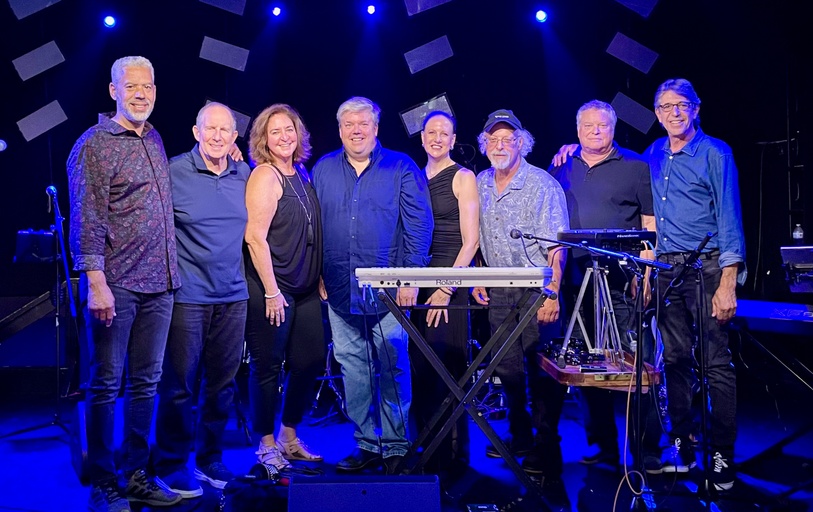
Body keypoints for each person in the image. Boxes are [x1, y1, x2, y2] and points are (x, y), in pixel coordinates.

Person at [68, 56, 182, 511]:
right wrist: (95, 282)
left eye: (148, 86)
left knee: (146, 383)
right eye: (131, 86)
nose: (141, 94)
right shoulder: (94, 144)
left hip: (161, 282)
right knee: (105, 383)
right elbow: (86, 218)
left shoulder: (153, 137)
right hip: (116, 284)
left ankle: (135, 473)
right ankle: (103, 480)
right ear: (113, 91)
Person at [313, 96, 433, 474]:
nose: (356, 131)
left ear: (376, 128)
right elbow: (313, 228)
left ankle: (395, 445)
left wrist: (410, 277)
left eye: (363, 123)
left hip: (390, 292)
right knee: (353, 369)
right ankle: (366, 442)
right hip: (339, 287)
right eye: (349, 124)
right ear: (339, 130)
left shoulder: (401, 166)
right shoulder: (323, 169)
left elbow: (418, 226)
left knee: (394, 364)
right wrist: (318, 273)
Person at [548, 100, 660, 472]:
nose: (595, 131)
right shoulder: (561, 166)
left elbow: (649, 226)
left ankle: (646, 451)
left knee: (636, 367)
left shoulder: (636, 166)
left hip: (622, 282)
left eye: (603, 126)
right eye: (588, 126)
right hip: (577, 282)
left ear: (613, 128)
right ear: (577, 129)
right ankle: (604, 446)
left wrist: (646, 275)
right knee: (587, 365)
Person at [644, 79, 745, 491]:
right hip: (667, 270)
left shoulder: (715, 153)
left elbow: (730, 219)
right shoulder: (653, 154)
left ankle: (721, 455)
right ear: (657, 113)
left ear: (696, 109)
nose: (675, 113)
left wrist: (728, 282)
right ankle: (683, 446)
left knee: (715, 362)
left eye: (682, 105)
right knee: (674, 360)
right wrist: (572, 150)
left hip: (707, 268)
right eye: (666, 106)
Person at [151, 102, 250, 497]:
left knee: (222, 386)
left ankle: (210, 458)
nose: (217, 136)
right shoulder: (173, 171)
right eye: (211, 129)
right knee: (178, 386)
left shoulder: (244, 173)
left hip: (234, 296)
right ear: (196, 132)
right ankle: (170, 463)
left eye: (225, 130)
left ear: (234, 137)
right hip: (188, 297)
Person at [471, 109, 570, 486]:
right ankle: (520, 434)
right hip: (499, 288)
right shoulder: (480, 182)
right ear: (485, 145)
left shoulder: (542, 184)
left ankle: (546, 448)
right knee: (506, 368)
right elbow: (474, 231)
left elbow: (557, 245)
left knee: (540, 370)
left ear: (521, 143)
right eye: (493, 140)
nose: (500, 146)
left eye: (507, 139)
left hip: (536, 290)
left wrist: (552, 293)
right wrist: (478, 272)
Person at [243, 104, 326, 470]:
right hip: (273, 288)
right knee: (267, 367)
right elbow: (255, 237)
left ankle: (288, 437)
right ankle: (266, 446)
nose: (283, 137)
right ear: (263, 138)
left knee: (310, 360)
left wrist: (317, 274)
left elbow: (308, 229)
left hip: (305, 288)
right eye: (274, 131)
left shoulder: (301, 172)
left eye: (288, 129)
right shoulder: (265, 174)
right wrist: (271, 291)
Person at [409, 111, 479, 479]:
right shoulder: (414, 177)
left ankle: (451, 456)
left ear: (453, 140)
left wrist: (445, 288)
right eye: (431, 132)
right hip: (419, 279)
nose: (437, 138)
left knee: (446, 367)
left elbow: (471, 241)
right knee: (421, 368)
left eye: (444, 133)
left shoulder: (463, 177)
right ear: (422, 138)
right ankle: (426, 448)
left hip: (449, 279)